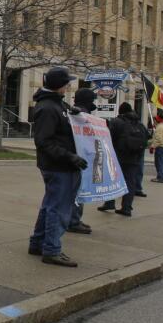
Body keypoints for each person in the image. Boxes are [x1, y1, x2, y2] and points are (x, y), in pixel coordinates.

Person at [28, 67, 88, 267]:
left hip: (60, 165)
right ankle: (52, 249)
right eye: (66, 83)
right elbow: (44, 142)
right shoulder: (48, 108)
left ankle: (38, 243)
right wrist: (70, 156)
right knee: (59, 209)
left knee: (50, 206)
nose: (68, 87)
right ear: (60, 86)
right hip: (59, 166)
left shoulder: (56, 105)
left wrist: (74, 112)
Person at [98, 102, 150, 217]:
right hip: (134, 158)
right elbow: (147, 137)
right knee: (130, 182)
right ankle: (126, 208)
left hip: (118, 157)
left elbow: (108, 137)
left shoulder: (117, 122)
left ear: (120, 111)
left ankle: (110, 203)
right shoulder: (139, 123)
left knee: (112, 180)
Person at [66, 88, 97, 235]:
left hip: (79, 157)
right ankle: (74, 220)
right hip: (78, 157)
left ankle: (75, 219)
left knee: (79, 190)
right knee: (78, 191)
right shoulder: (80, 115)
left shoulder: (80, 113)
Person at [148, 115, 163, 182]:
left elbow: (158, 139)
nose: (154, 121)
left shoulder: (159, 128)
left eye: (155, 120)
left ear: (158, 120)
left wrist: (152, 146)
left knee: (158, 163)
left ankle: (160, 177)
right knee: (162, 163)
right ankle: (160, 176)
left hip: (160, 147)